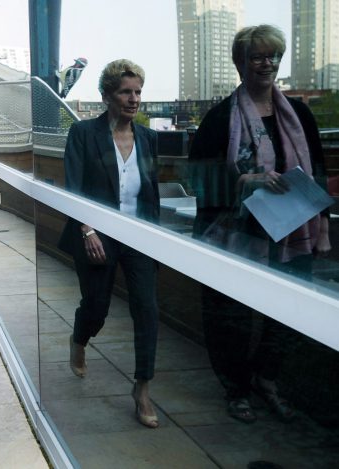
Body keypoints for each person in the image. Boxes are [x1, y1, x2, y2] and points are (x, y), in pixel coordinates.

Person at [189, 25, 331, 424]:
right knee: (231, 320)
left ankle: (266, 378)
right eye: (257, 57)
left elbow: (318, 171)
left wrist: (322, 230)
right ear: (240, 63)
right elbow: (200, 180)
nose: (267, 64)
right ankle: (236, 390)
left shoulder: (299, 114)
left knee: (290, 315)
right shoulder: (220, 119)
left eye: (273, 56)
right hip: (238, 238)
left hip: (294, 235)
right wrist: (247, 180)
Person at [58, 59, 161, 428]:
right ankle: (79, 338)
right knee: (96, 306)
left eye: (138, 92)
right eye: (125, 92)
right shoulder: (83, 133)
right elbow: (73, 187)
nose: (133, 99)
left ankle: (142, 388)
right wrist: (87, 230)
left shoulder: (148, 138)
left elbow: (151, 194)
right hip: (96, 235)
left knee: (147, 310)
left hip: (138, 237)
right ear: (106, 96)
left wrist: (157, 241)